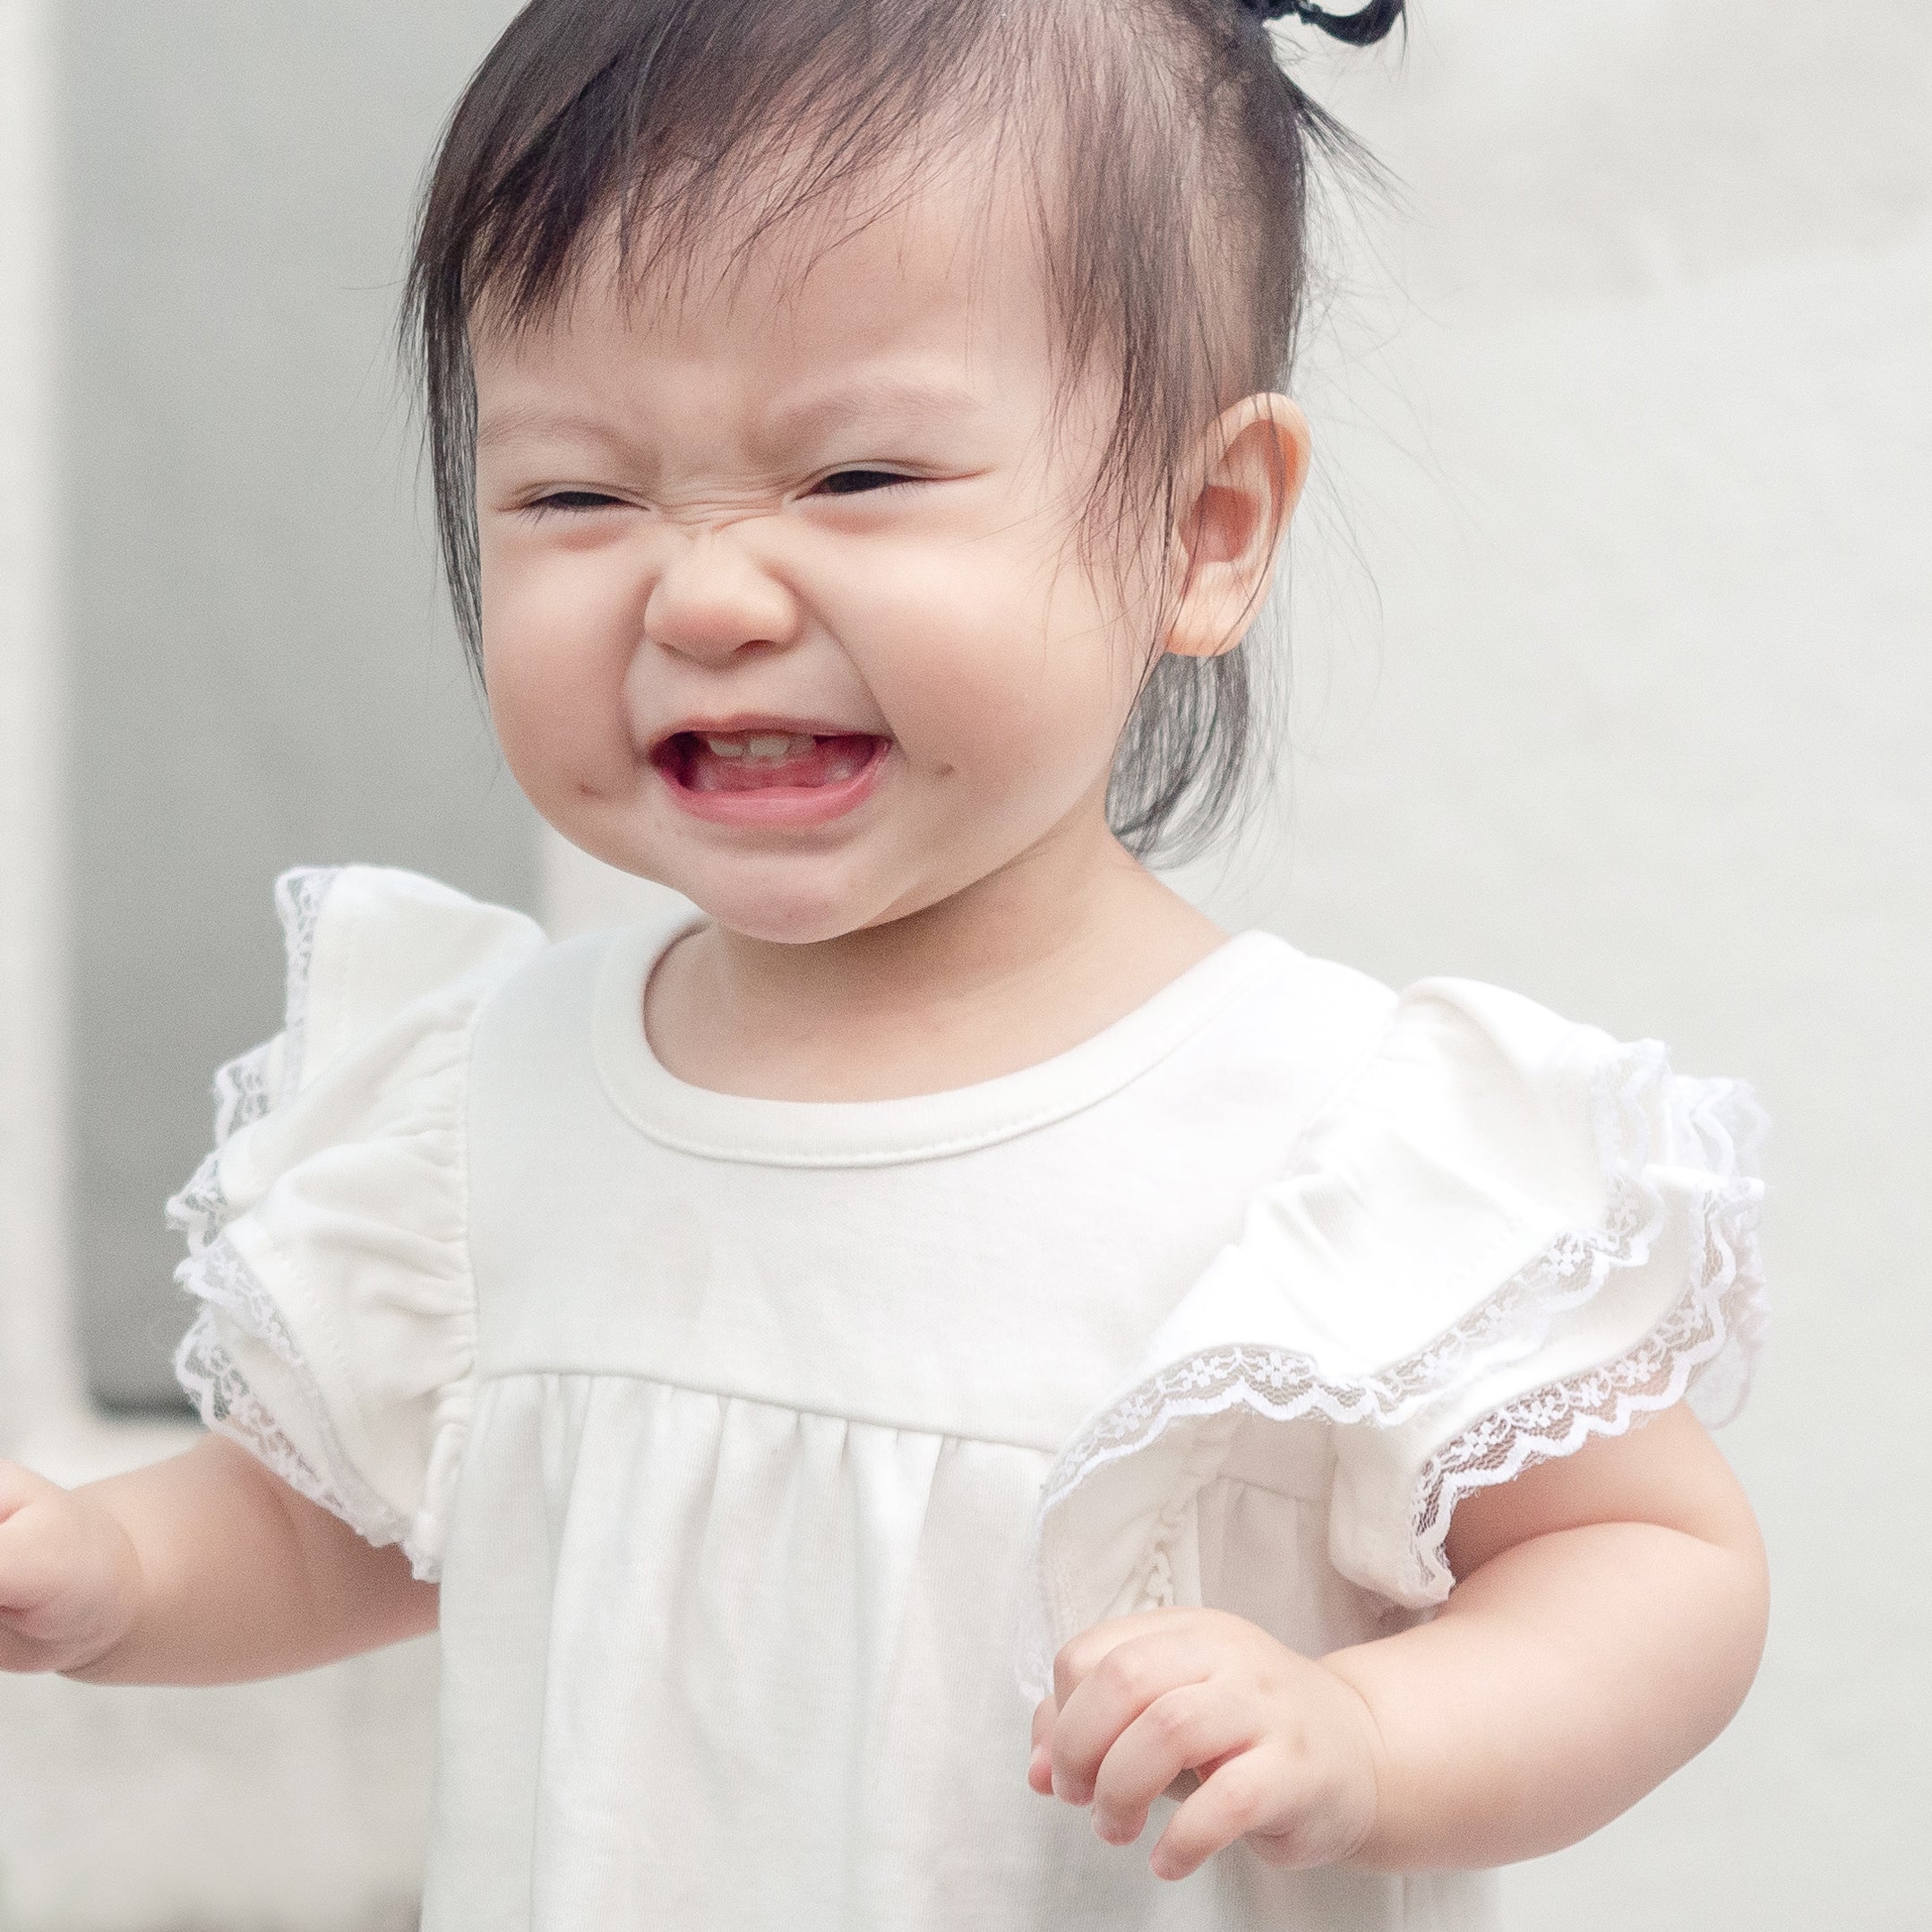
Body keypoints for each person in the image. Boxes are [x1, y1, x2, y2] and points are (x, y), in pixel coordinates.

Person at [0, 0, 1772, 1925]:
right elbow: (347, 1514)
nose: (705, 594)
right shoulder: (485, 1105)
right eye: (577, 496)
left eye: (856, 479)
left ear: (1200, 529)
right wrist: (106, 1572)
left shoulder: (1327, 1150)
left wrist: (1363, 1729)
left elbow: (1648, 1564)